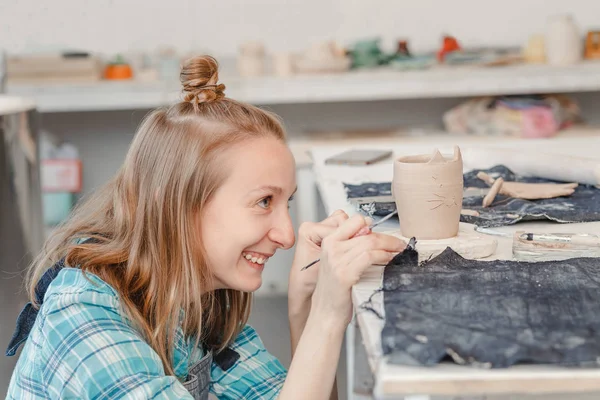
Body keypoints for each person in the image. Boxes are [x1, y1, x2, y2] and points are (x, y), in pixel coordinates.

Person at [5, 55, 406, 399]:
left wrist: (305, 304)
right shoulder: (84, 321)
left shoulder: (201, 304)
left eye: (286, 202)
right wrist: (328, 314)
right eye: (263, 201)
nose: (287, 236)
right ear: (175, 203)